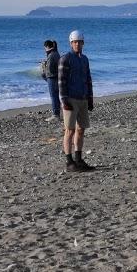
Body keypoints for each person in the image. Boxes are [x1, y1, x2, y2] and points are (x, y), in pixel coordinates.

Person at [58, 29, 96, 171]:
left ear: (83, 43)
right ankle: (69, 162)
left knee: (81, 129)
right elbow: (61, 81)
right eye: (75, 42)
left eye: (79, 42)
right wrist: (64, 100)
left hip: (83, 98)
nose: (77, 44)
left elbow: (88, 79)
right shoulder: (65, 59)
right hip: (71, 99)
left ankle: (79, 159)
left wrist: (90, 98)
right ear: (71, 43)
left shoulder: (84, 59)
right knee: (69, 130)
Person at [40, 39, 69, 162]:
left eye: (44, 47)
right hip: (55, 77)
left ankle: (55, 114)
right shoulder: (55, 53)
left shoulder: (52, 55)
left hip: (52, 78)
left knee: (54, 96)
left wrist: (43, 68)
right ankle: (58, 113)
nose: (44, 49)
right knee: (57, 96)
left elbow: (51, 70)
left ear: (47, 46)